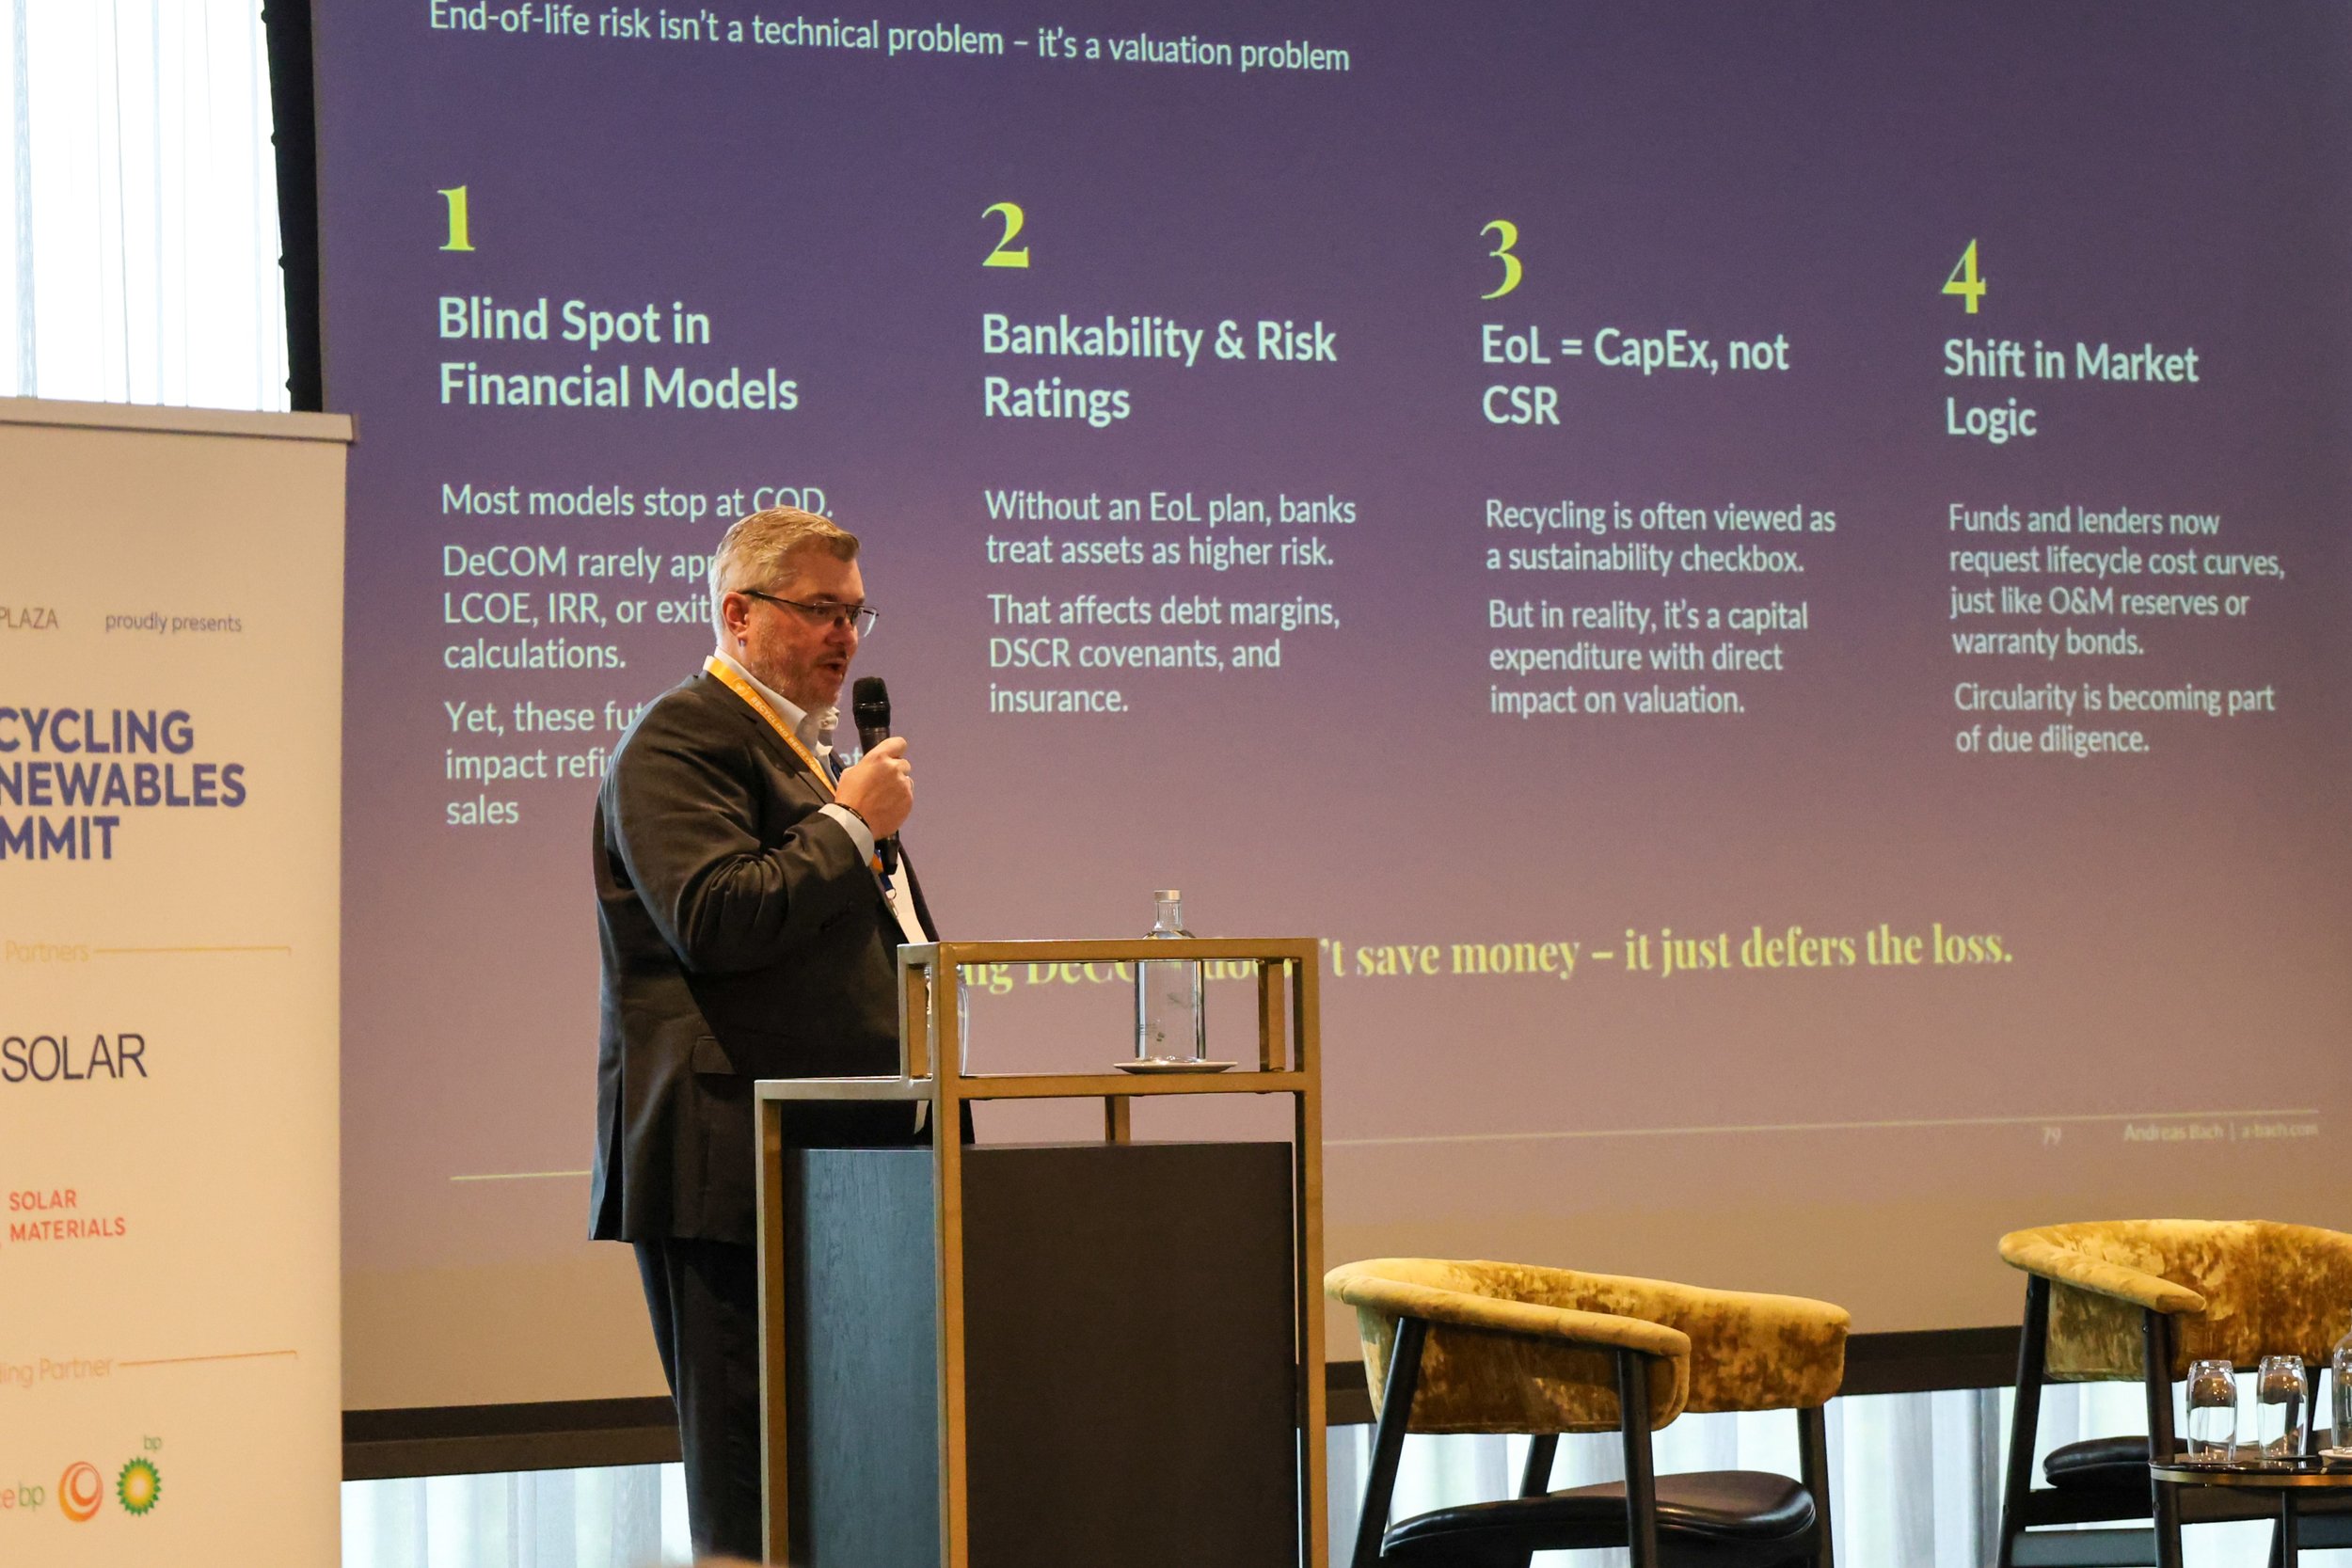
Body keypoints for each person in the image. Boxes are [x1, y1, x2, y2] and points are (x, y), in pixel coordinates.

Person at [589, 505, 930, 1558]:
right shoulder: (680, 738)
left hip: (841, 1163)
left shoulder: (808, 753)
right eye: (820, 610)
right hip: (731, 1165)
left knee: (848, 1474)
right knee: (749, 1493)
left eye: (856, 613)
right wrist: (847, 824)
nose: (844, 636)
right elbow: (715, 916)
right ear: (739, 614)